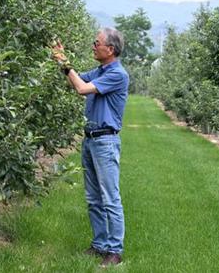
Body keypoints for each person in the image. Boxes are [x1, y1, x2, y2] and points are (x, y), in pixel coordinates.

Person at [52, 27, 129, 267]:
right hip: (90, 139)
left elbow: (82, 89)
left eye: (97, 43)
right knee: (94, 198)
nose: (93, 46)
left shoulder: (117, 74)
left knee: (110, 198)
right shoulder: (100, 71)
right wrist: (61, 61)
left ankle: (114, 251)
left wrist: (64, 62)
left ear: (111, 49)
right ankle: (99, 245)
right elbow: (75, 79)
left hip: (105, 141)